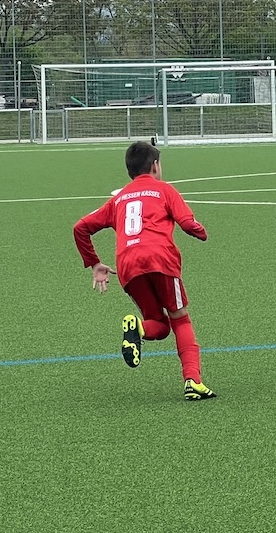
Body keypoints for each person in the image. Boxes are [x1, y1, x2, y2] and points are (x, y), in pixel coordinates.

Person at [73, 139, 214, 401]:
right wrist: (201, 232)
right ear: (155, 165)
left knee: (159, 325)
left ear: (130, 171)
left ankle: (137, 327)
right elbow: (187, 223)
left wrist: (94, 263)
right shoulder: (165, 190)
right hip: (161, 259)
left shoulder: (118, 199)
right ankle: (193, 381)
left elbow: (80, 227)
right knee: (180, 319)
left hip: (128, 266)